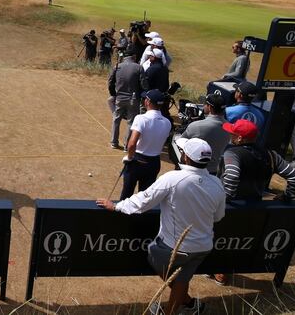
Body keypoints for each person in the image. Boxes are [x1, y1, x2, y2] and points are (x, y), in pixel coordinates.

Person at [97, 137, 225, 315]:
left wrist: (117, 205)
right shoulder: (217, 183)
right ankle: (186, 305)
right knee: (182, 278)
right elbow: (218, 216)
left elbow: (144, 201)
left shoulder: (173, 178)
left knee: (153, 255)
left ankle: (182, 304)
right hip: (203, 246)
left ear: (186, 157)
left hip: (175, 247)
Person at [215, 119, 295, 285]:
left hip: (230, 208)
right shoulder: (271, 155)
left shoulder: (232, 153)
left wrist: (226, 198)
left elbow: (232, 176)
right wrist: (287, 196)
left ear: (240, 138)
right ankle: (223, 270)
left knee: (222, 239)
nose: (230, 135)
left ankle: (221, 272)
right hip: (255, 206)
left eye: (233, 133)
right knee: (237, 240)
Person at [120, 89, 172, 199]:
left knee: (126, 196)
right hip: (154, 163)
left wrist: (129, 157)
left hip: (137, 161)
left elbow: (132, 144)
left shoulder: (141, 118)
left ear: (147, 102)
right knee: (143, 199)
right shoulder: (167, 122)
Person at [174, 93, 228, 176]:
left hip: (193, 170)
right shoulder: (230, 128)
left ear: (209, 107)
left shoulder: (196, 126)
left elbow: (181, 142)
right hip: (214, 172)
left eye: (205, 104)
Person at [108, 50, 147, 149]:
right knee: (131, 122)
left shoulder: (117, 66)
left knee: (116, 119)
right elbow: (144, 85)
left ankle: (114, 142)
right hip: (133, 98)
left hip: (119, 97)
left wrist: (114, 94)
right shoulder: (139, 67)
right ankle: (126, 145)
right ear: (134, 56)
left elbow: (110, 82)